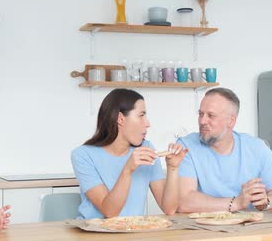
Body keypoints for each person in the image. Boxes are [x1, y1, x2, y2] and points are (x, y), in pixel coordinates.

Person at [176, 87, 272, 241]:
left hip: (248, 239)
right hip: (200, 239)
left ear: (231, 121)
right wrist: (236, 203)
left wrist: (266, 201)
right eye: (200, 114)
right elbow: (184, 201)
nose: (202, 121)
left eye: (211, 115)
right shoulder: (186, 146)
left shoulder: (255, 147)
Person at [71, 88, 187, 219]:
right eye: (141, 115)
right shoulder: (83, 155)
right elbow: (109, 212)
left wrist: (173, 167)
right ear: (120, 118)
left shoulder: (146, 148)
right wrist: (127, 170)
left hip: (133, 234)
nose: (148, 124)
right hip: (94, 236)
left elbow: (169, 209)